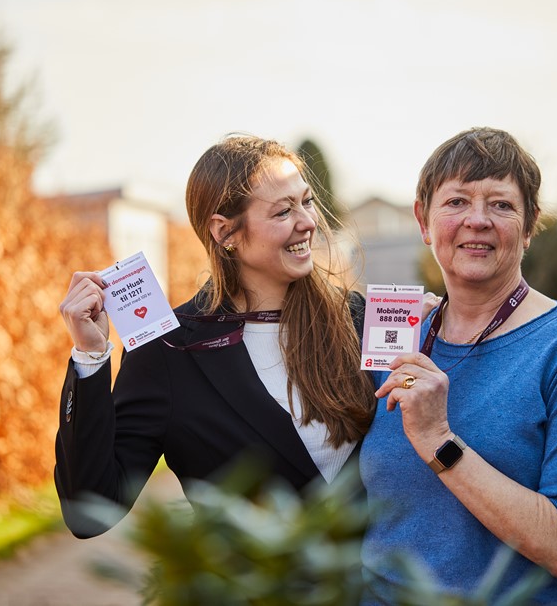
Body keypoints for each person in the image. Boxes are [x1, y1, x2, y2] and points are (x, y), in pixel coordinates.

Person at [359, 128, 557, 605]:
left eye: (502, 205)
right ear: (423, 221)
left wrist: (438, 441)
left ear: (529, 227)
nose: (477, 220)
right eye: (457, 202)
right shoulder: (396, 337)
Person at [55, 134, 376, 538]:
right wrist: (90, 357)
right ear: (225, 232)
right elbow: (91, 511)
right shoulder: (168, 350)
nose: (308, 222)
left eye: (307, 201)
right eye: (283, 212)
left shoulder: (360, 319)